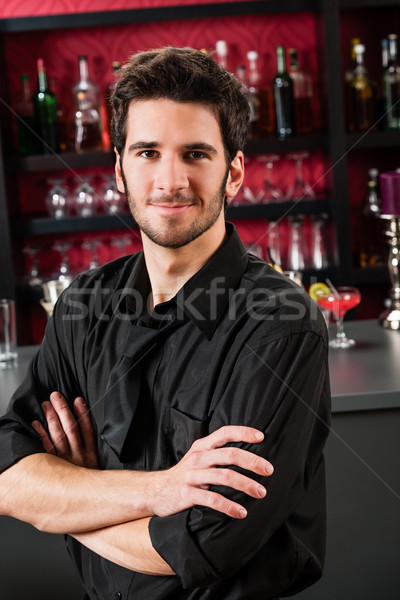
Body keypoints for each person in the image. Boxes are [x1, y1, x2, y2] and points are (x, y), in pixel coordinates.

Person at [0, 47, 331, 599]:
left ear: (234, 173)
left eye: (195, 153)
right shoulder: (82, 304)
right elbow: (9, 476)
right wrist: (163, 490)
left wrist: (71, 503)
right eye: (148, 152)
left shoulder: (281, 325)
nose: (170, 180)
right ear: (119, 170)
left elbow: (204, 544)